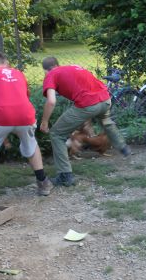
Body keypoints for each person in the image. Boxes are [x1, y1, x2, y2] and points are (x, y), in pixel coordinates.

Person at [0, 52, 52, 203]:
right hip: (26, 115)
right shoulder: (18, 73)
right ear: (7, 63)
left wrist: (2, 136)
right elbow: (22, 98)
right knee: (31, 145)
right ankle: (43, 183)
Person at [39, 57, 131, 186]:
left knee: (56, 134)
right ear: (57, 64)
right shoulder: (73, 67)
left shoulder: (51, 74)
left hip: (88, 104)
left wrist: (44, 122)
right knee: (105, 120)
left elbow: (51, 101)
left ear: (46, 70)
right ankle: (122, 147)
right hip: (105, 99)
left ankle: (65, 175)